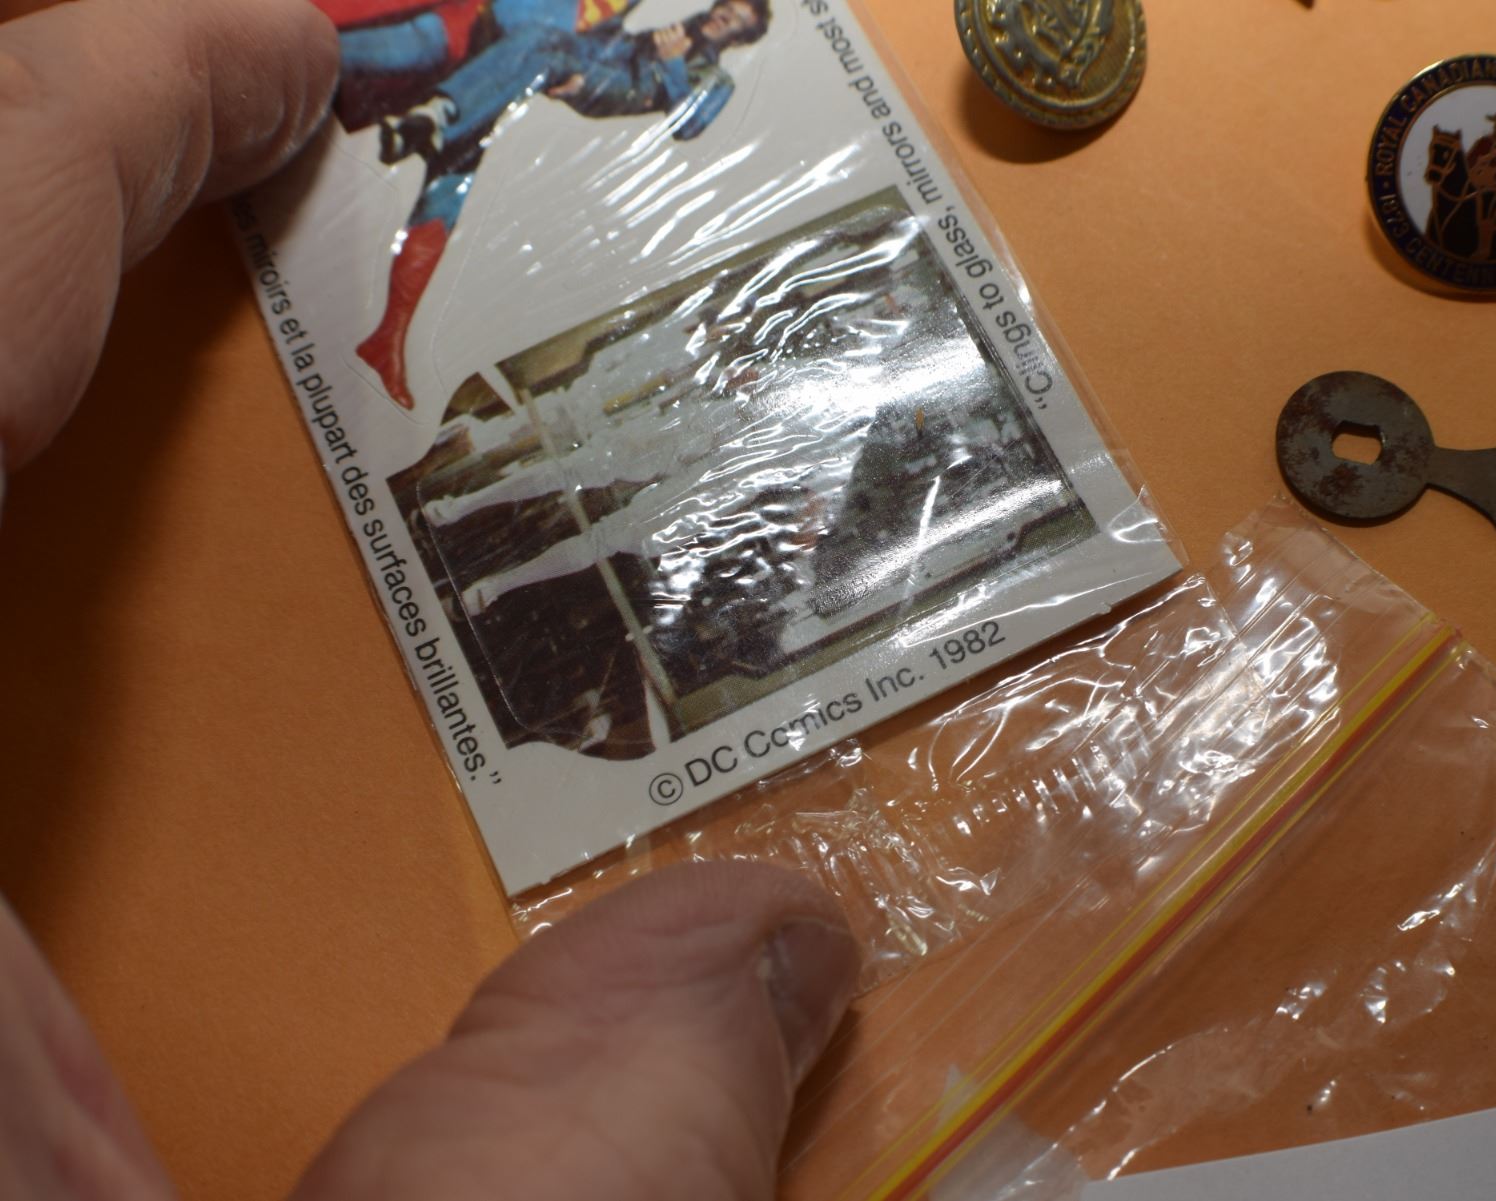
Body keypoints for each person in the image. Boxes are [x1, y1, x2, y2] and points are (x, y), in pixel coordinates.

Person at [0, 2, 856, 1197]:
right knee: (402, 87)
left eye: (732, 21)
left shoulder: (655, 71)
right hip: (459, 77)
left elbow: (627, 99)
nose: (714, 21)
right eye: (718, 12)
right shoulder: (592, 31)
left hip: (491, 112)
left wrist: (676, 73)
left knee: (448, 159)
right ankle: (406, 286)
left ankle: (399, 315)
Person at [351, 0, 772, 410]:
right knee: (526, 52)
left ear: (740, 37)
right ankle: (388, 335)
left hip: (543, 75)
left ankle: (434, 118)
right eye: (727, 7)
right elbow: (595, 51)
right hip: (494, 44)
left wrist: (668, 62)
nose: (724, 16)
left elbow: (688, 122)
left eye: (736, 18)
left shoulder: (711, 74)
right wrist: (581, 80)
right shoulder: (662, 32)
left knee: (451, 178)